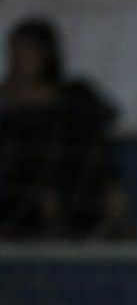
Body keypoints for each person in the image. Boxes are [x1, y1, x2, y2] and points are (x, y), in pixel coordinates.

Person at [0, 16, 130, 239]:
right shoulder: (6, 102)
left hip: (74, 178)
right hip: (23, 186)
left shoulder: (74, 95)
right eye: (16, 52)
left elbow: (104, 121)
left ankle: (111, 215)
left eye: (28, 52)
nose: (20, 60)